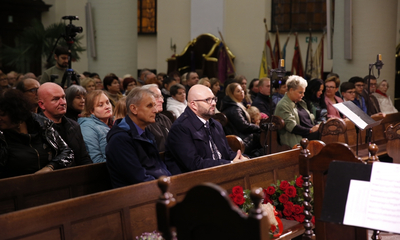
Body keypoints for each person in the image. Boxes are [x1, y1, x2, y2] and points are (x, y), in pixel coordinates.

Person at [165, 84, 248, 175]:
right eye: (207, 100)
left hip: (219, 172)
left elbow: (226, 153)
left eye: (214, 99)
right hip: (194, 180)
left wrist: (243, 158)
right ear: (194, 105)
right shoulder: (180, 128)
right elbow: (194, 164)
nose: (213, 103)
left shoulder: (215, 124)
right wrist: (230, 164)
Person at [106, 87, 171, 187]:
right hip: (134, 196)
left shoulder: (145, 131)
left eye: (154, 105)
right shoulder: (120, 140)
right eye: (149, 106)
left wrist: (171, 181)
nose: (155, 110)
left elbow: (158, 166)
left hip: (154, 188)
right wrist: (167, 186)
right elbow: (138, 178)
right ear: (134, 109)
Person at [0, 90, 74, 178]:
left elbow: (67, 152)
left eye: (3, 114)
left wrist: (50, 167)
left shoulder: (41, 124)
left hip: (52, 181)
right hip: (16, 187)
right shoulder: (2, 136)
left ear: (15, 112)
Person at [38, 82, 92, 166]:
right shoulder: (36, 128)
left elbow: (84, 158)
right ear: (42, 104)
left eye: (63, 97)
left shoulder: (74, 126)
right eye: (55, 99)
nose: (63, 102)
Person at [274, 75, 320, 148]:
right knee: (325, 135)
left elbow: (310, 119)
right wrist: (311, 130)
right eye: (300, 92)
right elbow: (292, 127)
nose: (303, 95)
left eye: (303, 92)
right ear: (291, 90)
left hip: (308, 134)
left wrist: (319, 126)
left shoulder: (301, 102)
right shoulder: (283, 105)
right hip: (298, 139)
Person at [220, 83, 261, 155]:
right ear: (231, 94)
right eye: (238, 91)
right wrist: (258, 127)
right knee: (264, 136)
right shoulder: (234, 109)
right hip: (240, 140)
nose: (242, 92)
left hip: (242, 136)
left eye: (242, 90)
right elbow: (243, 126)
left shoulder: (237, 105)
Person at [78, 90, 113, 163]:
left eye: (107, 102)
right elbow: (96, 160)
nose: (107, 107)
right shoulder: (87, 127)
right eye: (101, 105)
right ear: (92, 111)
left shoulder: (115, 122)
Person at [142, 84, 172, 152]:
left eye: (161, 96)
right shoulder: (142, 122)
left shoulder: (165, 119)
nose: (162, 100)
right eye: (156, 97)